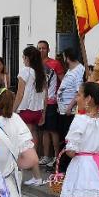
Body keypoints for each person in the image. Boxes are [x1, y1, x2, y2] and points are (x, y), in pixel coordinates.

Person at [12, 45, 47, 186]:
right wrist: (43, 113)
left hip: (25, 109)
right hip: (37, 110)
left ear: (26, 58)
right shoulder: (41, 72)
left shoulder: (25, 71)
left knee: (25, 142)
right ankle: (34, 174)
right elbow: (46, 95)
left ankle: (36, 175)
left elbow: (20, 93)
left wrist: (13, 109)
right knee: (32, 140)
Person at [54, 47, 85, 174]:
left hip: (69, 111)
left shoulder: (79, 70)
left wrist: (70, 106)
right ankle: (61, 166)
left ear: (67, 57)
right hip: (63, 110)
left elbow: (78, 90)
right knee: (63, 136)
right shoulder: (71, 69)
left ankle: (64, 166)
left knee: (67, 139)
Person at [37, 40, 63, 169]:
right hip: (40, 103)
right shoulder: (35, 65)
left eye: (43, 48)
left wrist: (60, 97)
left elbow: (62, 81)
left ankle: (56, 157)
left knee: (53, 130)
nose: (41, 50)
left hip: (52, 102)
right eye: (39, 48)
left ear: (48, 50)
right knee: (44, 131)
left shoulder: (55, 64)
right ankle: (46, 156)